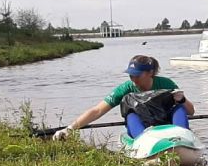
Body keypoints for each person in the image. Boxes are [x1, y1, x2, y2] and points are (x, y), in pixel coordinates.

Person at [53, 55, 194, 140]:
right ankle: (142, 141)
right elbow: (97, 110)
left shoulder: (166, 84)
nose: (133, 79)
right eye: (131, 74)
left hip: (166, 121)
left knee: (179, 108)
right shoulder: (126, 88)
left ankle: (182, 138)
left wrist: (181, 100)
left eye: (137, 75)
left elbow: (191, 111)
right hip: (143, 125)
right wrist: (69, 129)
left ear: (150, 73)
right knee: (130, 115)